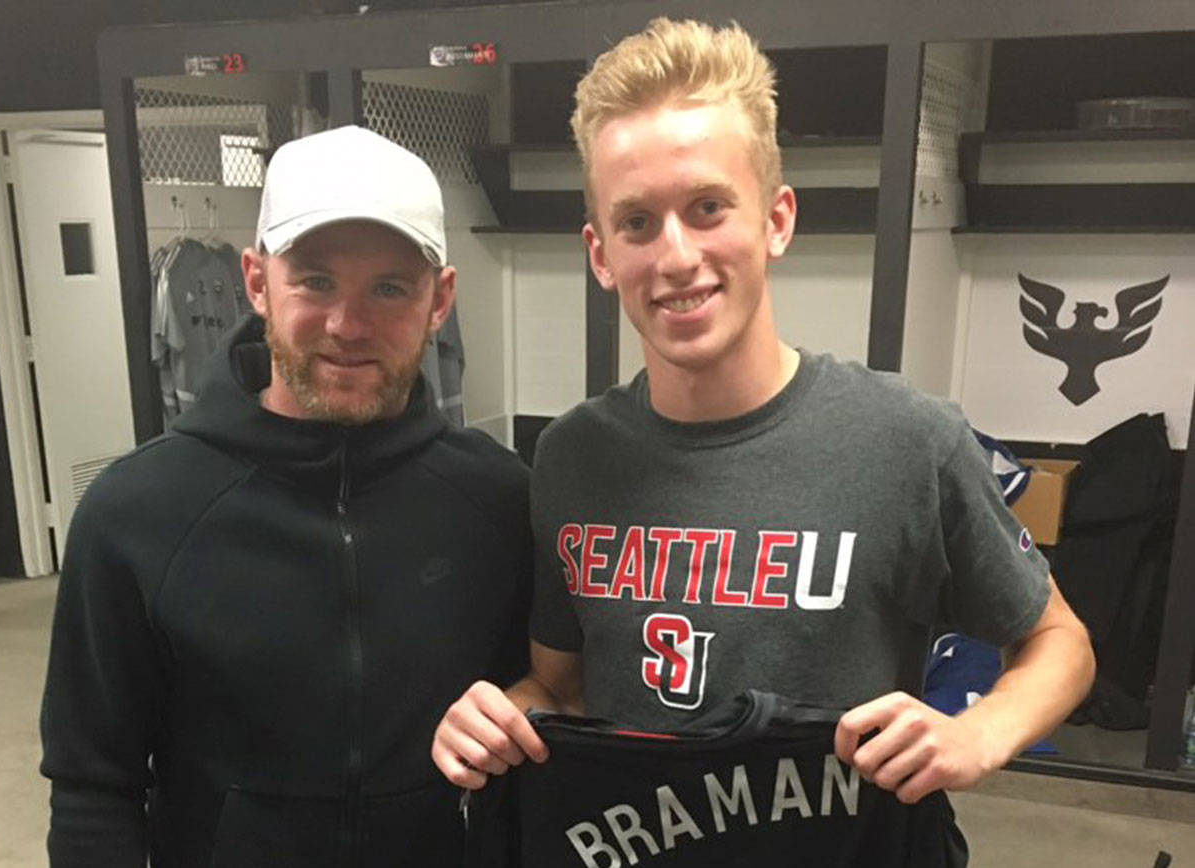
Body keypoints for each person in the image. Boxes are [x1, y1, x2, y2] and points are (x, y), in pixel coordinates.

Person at [432, 16, 1094, 814]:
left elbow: (1061, 643)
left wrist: (977, 733)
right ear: (601, 253)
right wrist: (495, 718)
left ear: (777, 219)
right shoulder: (573, 457)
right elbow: (561, 688)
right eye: (637, 221)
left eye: (708, 206)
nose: (676, 256)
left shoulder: (906, 441)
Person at [41, 125, 532, 867]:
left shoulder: (500, 502)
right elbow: (90, 789)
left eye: (390, 287)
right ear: (257, 281)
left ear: (441, 301)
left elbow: (552, 708)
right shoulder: (135, 514)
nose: (347, 325)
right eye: (315, 280)